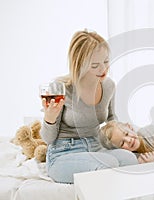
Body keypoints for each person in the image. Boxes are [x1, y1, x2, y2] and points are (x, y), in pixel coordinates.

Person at [40, 30, 138, 184]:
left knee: (130, 159)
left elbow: (111, 118)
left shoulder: (109, 86)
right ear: (80, 65)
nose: (104, 69)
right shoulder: (61, 88)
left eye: (106, 62)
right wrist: (49, 119)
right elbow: (48, 139)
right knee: (108, 164)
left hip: (95, 147)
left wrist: (123, 131)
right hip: (63, 153)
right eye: (95, 65)